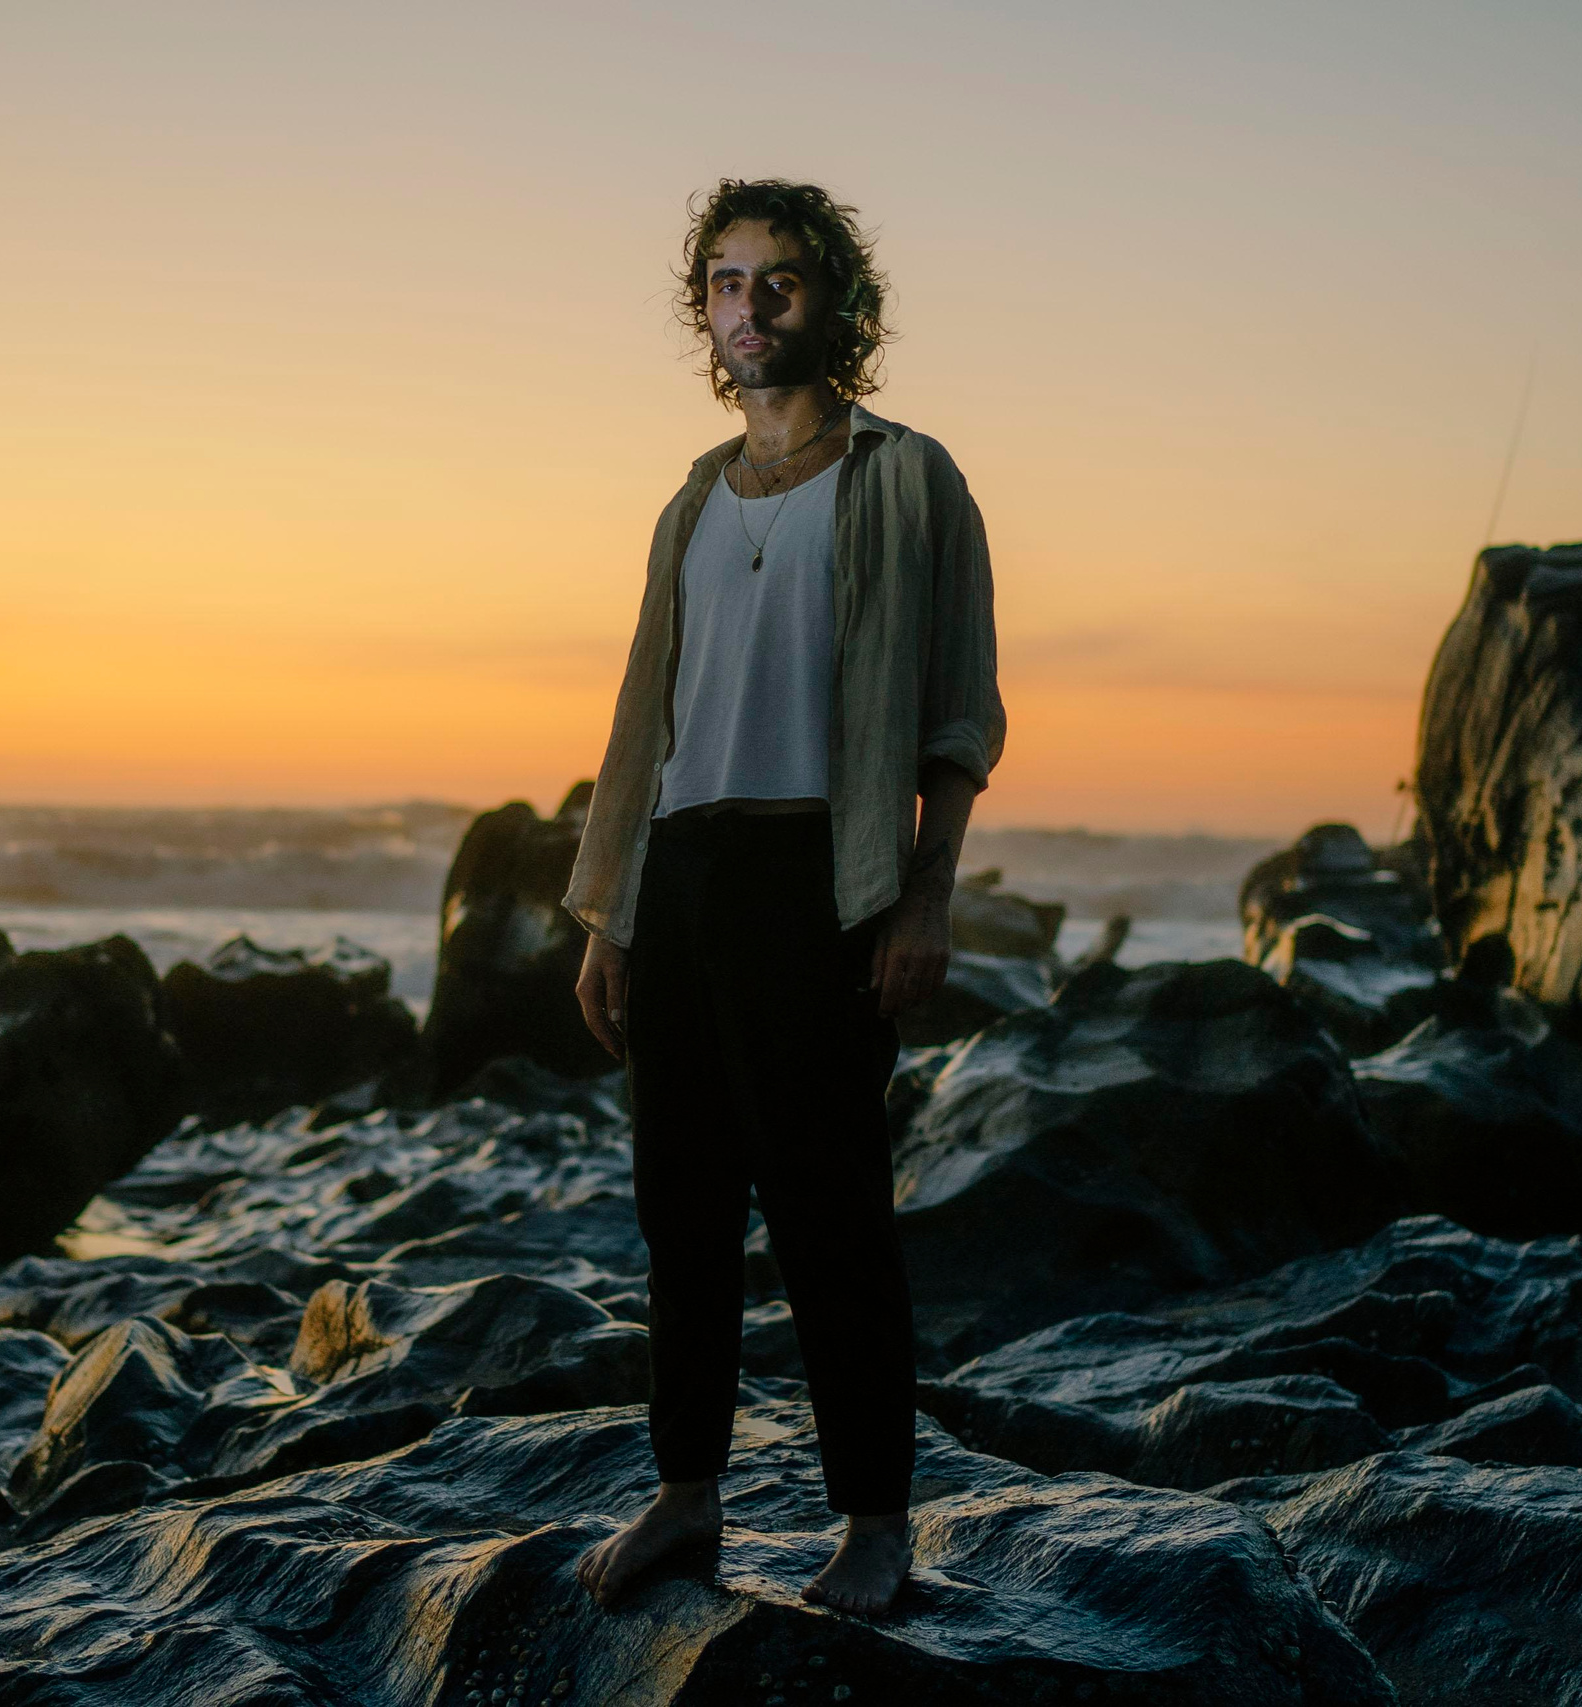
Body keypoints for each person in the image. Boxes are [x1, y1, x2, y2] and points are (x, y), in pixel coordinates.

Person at [559, 179, 1004, 1616]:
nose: (752, 310)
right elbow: (646, 721)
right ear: (707, 310)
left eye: (782, 282)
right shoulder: (690, 497)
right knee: (678, 1213)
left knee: (829, 1215)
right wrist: (609, 913)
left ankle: (876, 1522)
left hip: (822, 875)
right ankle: (686, 1498)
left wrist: (923, 900)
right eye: (728, 285)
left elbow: (956, 717)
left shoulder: (906, 476)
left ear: (838, 303)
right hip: (684, 874)